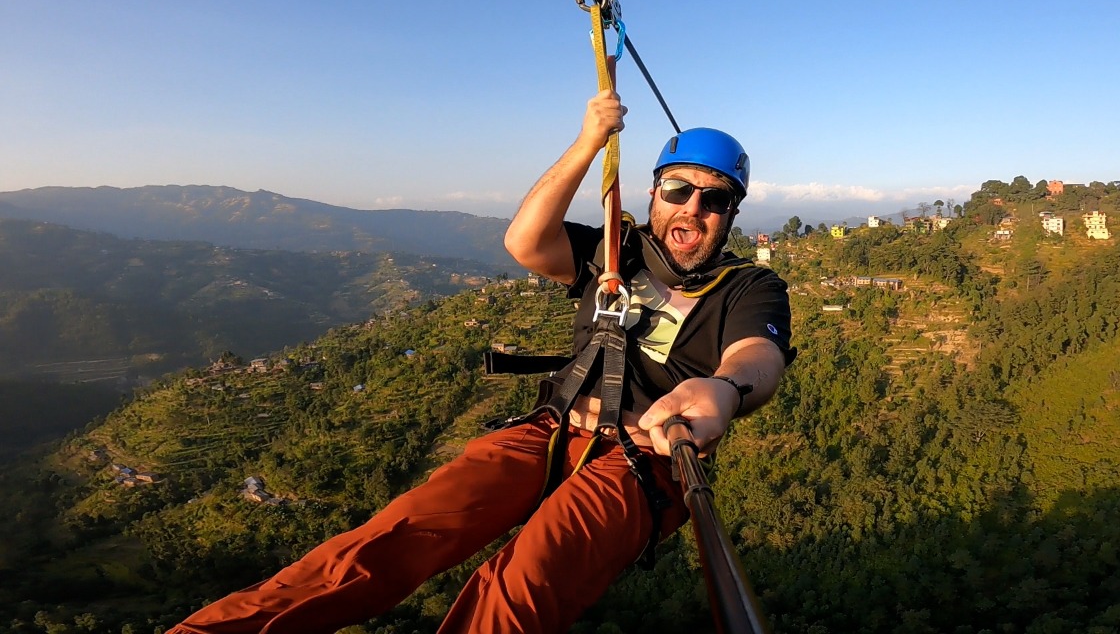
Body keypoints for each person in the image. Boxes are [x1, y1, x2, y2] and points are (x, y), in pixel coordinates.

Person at [166, 89, 795, 634]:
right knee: (390, 539)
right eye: (679, 190)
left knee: (519, 591)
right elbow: (526, 241)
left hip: (641, 460)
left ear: (732, 215)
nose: (693, 209)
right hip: (550, 432)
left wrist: (725, 389)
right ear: (654, 192)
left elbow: (757, 354)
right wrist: (587, 143)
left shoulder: (747, 288)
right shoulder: (614, 251)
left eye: (714, 201)